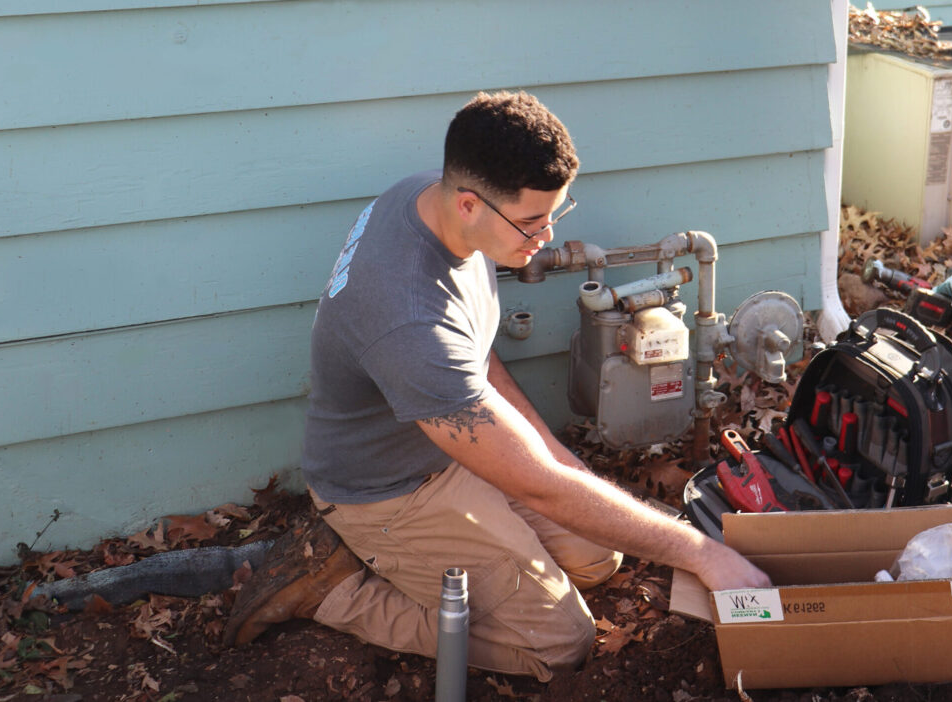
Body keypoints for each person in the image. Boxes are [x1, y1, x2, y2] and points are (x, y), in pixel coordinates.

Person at [224, 91, 770, 680]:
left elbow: (477, 361)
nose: (545, 237)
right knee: (561, 642)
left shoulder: (433, 200)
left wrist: (565, 465)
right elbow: (539, 486)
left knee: (599, 558)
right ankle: (331, 592)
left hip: (451, 446)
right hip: (390, 491)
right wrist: (700, 551)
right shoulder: (408, 320)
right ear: (467, 203)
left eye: (555, 214)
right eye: (532, 222)